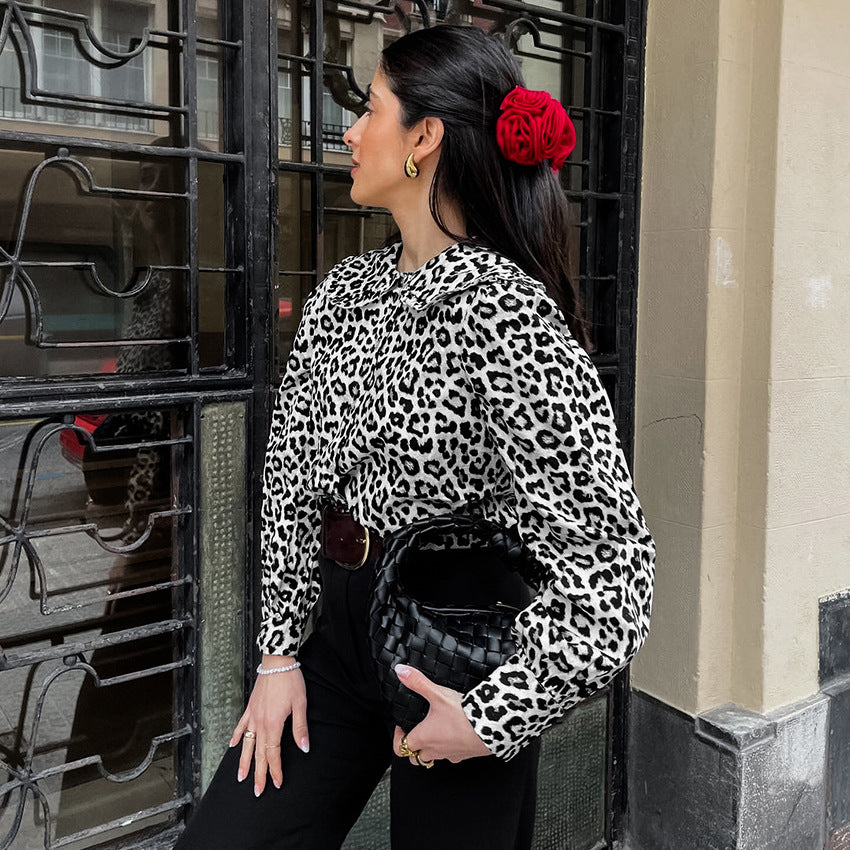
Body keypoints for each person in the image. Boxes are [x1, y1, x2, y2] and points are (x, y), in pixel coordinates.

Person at [174, 23, 655, 850]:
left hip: (458, 645)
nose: (352, 132)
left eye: (371, 109)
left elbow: (613, 570)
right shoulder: (346, 291)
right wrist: (279, 655)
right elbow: (290, 478)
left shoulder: (504, 312)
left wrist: (494, 716)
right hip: (334, 637)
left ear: (424, 140)